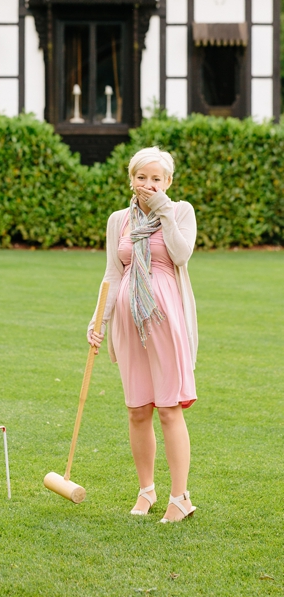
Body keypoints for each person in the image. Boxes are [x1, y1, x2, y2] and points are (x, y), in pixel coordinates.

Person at [87, 147, 198, 523]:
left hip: (165, 321)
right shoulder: (118, 219)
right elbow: (113, 274)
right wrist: (98, 321)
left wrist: (164, 208)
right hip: (128, 320)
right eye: (141, 177)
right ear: (130, 179)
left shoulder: (180, 211)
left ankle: (180, 497)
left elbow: (181, 256)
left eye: (156, 179)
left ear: (168, 182)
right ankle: (146, 491)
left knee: (168, 409)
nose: (148, 184)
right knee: (137, 410)